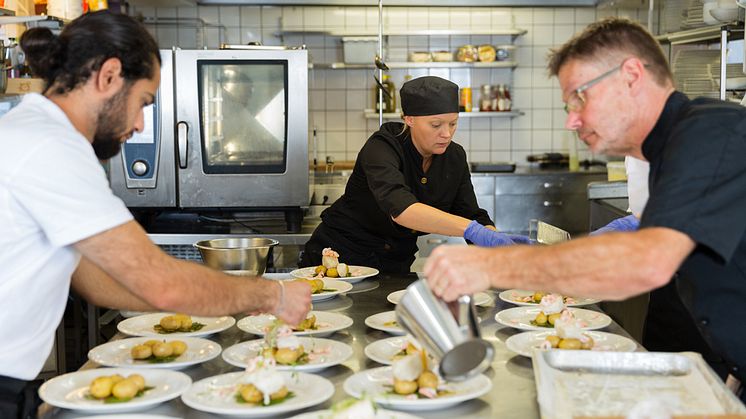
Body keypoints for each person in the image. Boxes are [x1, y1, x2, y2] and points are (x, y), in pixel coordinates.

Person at [0, 11, 311, 418]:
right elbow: (162, 285)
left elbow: (96, 281)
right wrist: (273, 294)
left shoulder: (31, 130)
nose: (140, 123)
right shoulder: (52, 148)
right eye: (143, 102)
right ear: (109, 76)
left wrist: (227, 300)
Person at [424, 17, 746, 401]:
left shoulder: (708, 135)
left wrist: (490, 266)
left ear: (631, 75)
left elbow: (647, 263)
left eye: (581, 96)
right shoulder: (669, 153)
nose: (572, 119)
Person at [299, 76, 527, 274]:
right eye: (436, 125)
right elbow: (401, 209)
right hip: (339, 256)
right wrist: (472, 229)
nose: (446, 134)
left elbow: (470, 213)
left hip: (394, 264)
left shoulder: (454, 157)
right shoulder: (382, 147)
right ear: (409, 119)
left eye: (453, 124)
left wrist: (497, 244)